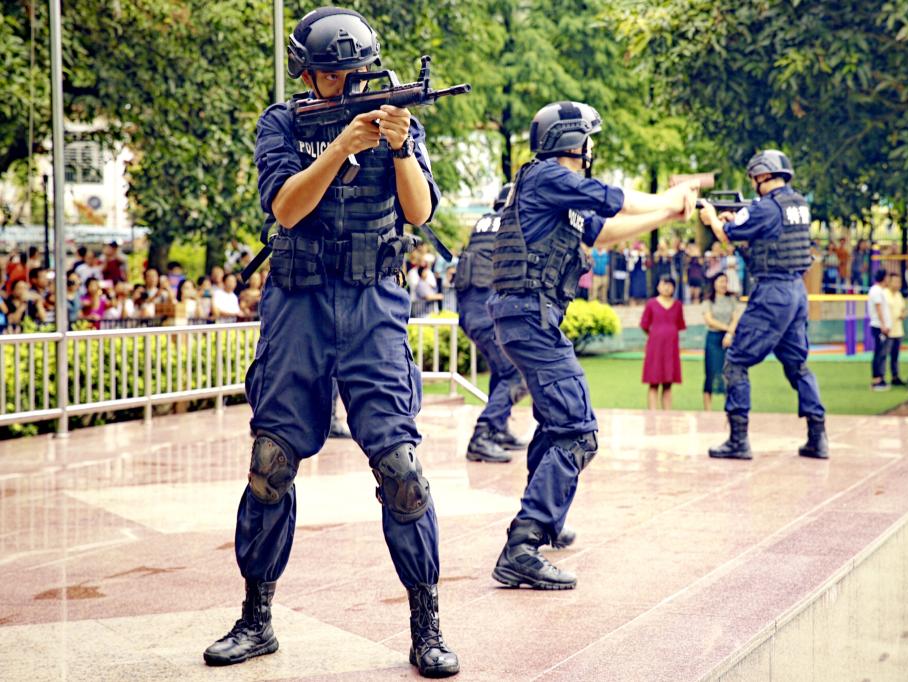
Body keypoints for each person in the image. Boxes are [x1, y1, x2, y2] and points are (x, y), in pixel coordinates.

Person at [202, 9, 459, 677]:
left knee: (402, 471)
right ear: (309, 74)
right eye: (334, 75)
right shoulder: (282, 124)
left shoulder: (400, 121)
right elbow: (286, 207)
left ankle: (426, 626)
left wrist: (398, 149)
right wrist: (342, 146)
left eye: (356, 73)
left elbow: (420, 212)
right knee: (271, 464)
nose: (347, 85)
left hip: (373, 303)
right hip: (299, 303)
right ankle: (256, 619)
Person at [488, 100, 696, 589]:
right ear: (573, 142)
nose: (589, 150)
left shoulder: (556, 193)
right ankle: (522, 545)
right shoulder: (547, 176)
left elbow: (603, 230)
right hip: (531, 318)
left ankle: (543, 522)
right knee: (578, 431)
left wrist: (667, 212)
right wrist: (670, 196)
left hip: (527, 318)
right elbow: (612, 199)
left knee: (554, 425)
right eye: (587, 141)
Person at [699, 149, 828, 460]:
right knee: (798, 365)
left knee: (736, 362)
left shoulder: (767, 207)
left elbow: (726, 234)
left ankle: (738, 440)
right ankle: (818, 437)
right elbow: (768, 242)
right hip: (796, 292)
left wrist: (712, 219)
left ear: (762, 175)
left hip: (772, 294)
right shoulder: (798, 204)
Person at [454, 183, 530, 463]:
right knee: (518, 373)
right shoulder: (512, 225)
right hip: (487, 314)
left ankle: (498, 429)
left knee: (502, 370)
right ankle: (483, 436)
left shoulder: (483, 224)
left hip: (471, 312)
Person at [640, 275, 686, 410]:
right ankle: (652, 413)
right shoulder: (651, 304)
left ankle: (667, 413)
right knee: (653, 382)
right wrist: (654, 335)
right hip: (655, 348)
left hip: (671, 349)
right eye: (664, 284)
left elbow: (680, 324)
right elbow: (644, 324)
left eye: (669, 285)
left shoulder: (677, 305)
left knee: (668, 383)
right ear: (658, 286)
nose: (666, 287)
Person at [702, 273, 741, 411]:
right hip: (713, 338)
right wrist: (727, 328)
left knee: (728, 373)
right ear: (714, 283)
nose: (723, 284)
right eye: (720, 281)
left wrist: (730, 333)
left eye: (725, 281)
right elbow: (709, 320)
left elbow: (736, 317)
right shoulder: (708, 301)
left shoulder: (732, 299)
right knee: (711, 373)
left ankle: (728, 407)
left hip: (729, 339)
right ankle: (708, 409)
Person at [868, 269, 892, 390]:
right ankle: (877, 379)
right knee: (879, 353)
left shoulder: (881, 291)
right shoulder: (876, 291)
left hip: (881, 326)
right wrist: (883, 325)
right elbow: (878, 309)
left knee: (882, 352)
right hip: (878, 326)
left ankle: (880, 377)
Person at [885, 271, 906, 386]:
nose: (897, 284)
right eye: (895, 282)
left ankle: (895, 376)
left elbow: (902, 308)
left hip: (898, 330)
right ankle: (880, 377)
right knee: (883, 355)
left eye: (899, 282)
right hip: (888, 330)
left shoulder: (899, 295)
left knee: (895, 355)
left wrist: (902, 314)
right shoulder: (885, 294)